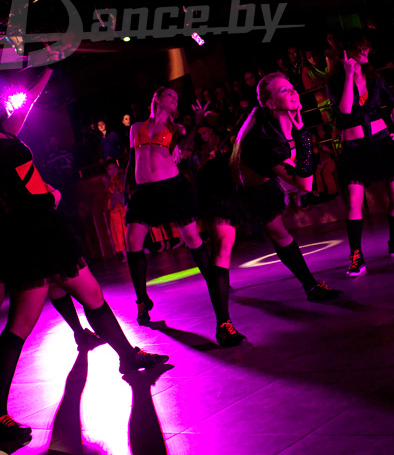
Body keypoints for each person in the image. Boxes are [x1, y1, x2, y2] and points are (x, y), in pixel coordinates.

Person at [0, 96, 169, 449]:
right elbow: (14, 197)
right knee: (21, 324)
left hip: (44, 228)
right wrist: (49, 197)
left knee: (93, 296)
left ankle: (127, 355)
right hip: (31, 235)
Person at [0, 73, 105, 400]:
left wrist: (46, 71)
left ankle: (80, 333)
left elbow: (25, 109)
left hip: (17, 225)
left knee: (53, 279)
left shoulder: (3, 137)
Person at [201, 73, 342, 301]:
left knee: (278, 232)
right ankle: (223, 320)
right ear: (271, 104)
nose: (293, 91)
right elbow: (305, 184)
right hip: (224, 186)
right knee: (224, 246)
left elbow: (301, 176)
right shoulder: (265, 138)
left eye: (291, 87)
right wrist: (303, 135)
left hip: (258, 185)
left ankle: (311, 287)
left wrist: (300, 132)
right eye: (283, 90)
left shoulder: (285, 127)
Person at [124, 87, 234, 342]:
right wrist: (128, 189)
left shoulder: (176, 129)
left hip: (172, 188)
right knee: (132, 242)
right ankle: (142, 300)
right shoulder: (136, 127)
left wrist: (196, 123)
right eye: (170, 96)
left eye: (176, 98)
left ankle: (214, 281)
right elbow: (132, 159)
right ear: (157, 98)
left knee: (192, 238)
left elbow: (182, 147)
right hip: (144, 192)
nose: (175, 100)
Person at [326, 36, 394, 277]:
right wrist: (349, 75)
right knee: (355, 202)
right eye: (360, 49)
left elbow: (393, 103)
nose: (366, 52)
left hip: (383, 142)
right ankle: (356, 255)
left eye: (366, 49)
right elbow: (346, 109)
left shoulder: (375, 77)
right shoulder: (336, 81)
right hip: (355, 148)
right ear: (347, 53)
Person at [104, 162, 128, 262]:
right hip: (114, 208)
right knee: (118, 232)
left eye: (114, 168)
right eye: (110, 169)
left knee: (128, 229)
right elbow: (109, 192)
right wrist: (112, 180)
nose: (113, 171)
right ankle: (124, 254)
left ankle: (134, 251)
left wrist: (117, 179)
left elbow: (123, 189)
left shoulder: (122, 177)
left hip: (124, 206)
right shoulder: (105, 180)